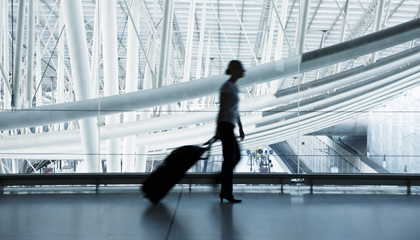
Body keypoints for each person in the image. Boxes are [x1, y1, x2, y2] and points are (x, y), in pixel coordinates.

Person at [216, 60, 245, 203]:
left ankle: (223, 186)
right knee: (231, 159)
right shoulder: (226, 87)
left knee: (233, 158)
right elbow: (221, 109)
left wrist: (240, 126)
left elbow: (235, 109)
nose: (243, 71)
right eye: (240, 68)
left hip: (230, 126)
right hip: (225, 126)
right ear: (234, 70)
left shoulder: (234, 87)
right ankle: (226, 192)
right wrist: (218, 129)